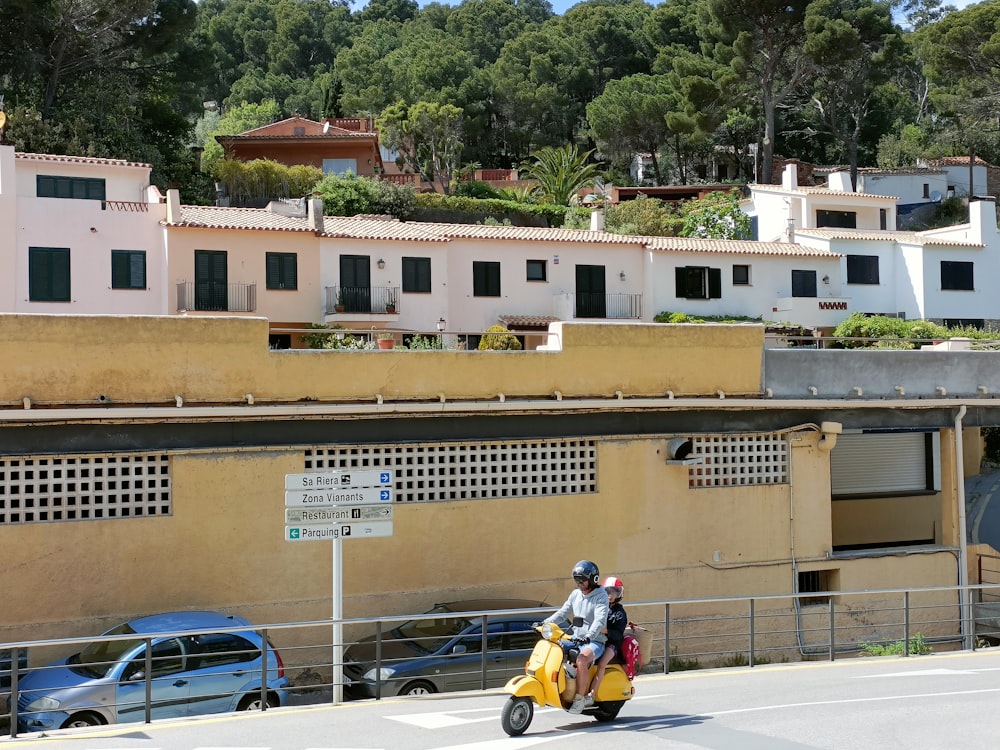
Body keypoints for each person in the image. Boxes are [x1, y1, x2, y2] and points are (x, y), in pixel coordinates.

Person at [543, 559, 609, 714]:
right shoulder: (575, 594)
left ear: (593, 579)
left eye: (582, 580)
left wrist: (588, 636)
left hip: (594, 641)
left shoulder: (601, 596)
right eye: (576, 580)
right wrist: (544, 623)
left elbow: (599, 621)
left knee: (582, 659)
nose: (579, 583)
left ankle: (579, 699)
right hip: (576, 638)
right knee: (555, 646)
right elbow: (562, 613)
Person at [587, 576, 631, 702]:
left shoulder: (620, 613)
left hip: (612, 644)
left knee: (601, 664)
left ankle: (592, 694)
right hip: (597, 640)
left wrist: (607, 631)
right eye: (607, 591)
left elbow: (619, 635)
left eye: (613, 592)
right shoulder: (600, 606)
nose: (610, 595)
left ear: (619, 593)